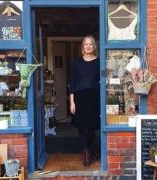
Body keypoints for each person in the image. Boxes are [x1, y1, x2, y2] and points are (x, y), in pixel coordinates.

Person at [69, 35, 100, 166]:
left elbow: (102, 81)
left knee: (92, 127)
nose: (88, 46)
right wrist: (72, 102)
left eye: (90, 44)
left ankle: (88, 149)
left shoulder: (99, 61)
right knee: (81, 127)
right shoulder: (76, 62)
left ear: (94, 47)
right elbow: (72, 82)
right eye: (86, 44)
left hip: (94, 98)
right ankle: (86, 152)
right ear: (82, 47)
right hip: (79, 97)